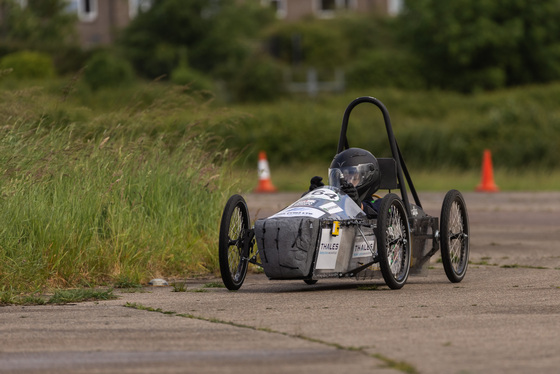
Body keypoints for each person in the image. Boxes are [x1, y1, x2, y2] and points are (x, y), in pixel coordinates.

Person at [308, 148, 382, 217]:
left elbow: (378, 211)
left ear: (366, 177)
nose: (344, 183)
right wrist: (315, 197)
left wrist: (358, 205)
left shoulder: (380, 204)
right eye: (340, 178)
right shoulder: (332, 204)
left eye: (351, 178)